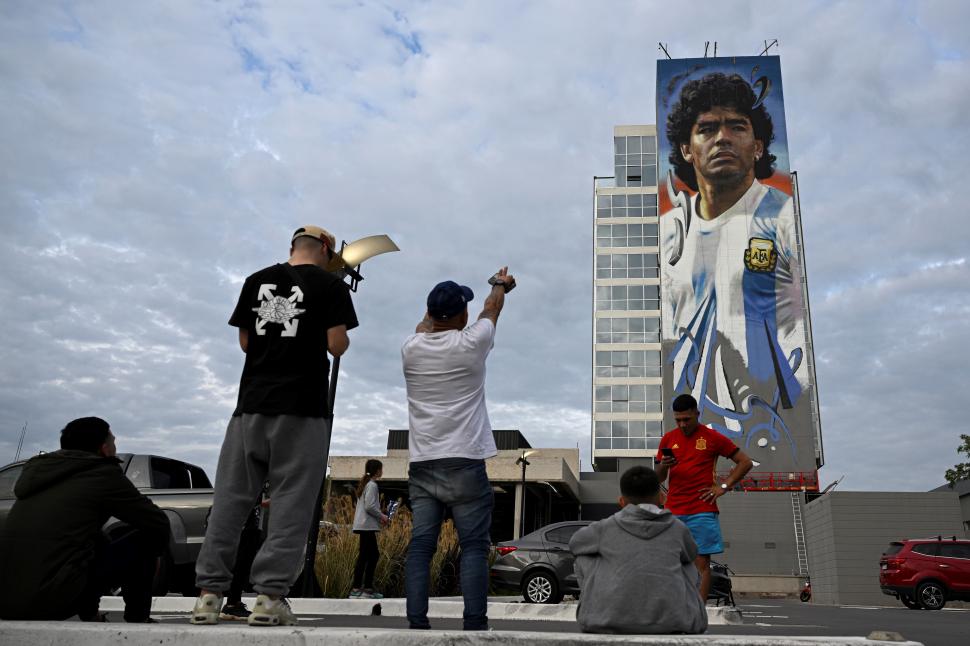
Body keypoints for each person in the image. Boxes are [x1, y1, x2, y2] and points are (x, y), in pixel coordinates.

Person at [192, 225, 359, 627]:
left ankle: (208, 595)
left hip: (250, 407)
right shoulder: (331, 287)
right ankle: (268, 598)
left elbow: (247, 344)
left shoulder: (255, 281)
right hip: (302, 409)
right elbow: (336, 345)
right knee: (290, 505)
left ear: (292, 247)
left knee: (230, 503)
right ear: (325, 249)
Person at [661, 71, 809, 450]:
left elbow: (797, 330)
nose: (722, 138)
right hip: (696, 427)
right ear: (686, 149)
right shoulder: (668, 231)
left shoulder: (781, 218)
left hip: (772, 425)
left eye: (736, 127)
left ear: (757, 145)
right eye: (707, 129)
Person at [402, 267, 516, 631]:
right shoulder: (472, 343)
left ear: (430, 313)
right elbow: (491, 309)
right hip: (464, 462)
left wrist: (432, 312)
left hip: (423, 464)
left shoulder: (411, 349)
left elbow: (424, 326)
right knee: (473, 547)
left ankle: (417, 624)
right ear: (462, 315)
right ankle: (474, 624)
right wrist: (500, 285)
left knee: (421, 547)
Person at [0, 417, 170, 623]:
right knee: (148, 536)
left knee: (96, 537)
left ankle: (91, 614)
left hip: (7, 600)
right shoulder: (102, 473)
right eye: (114, 441)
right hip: (49, 600)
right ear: (104, 448)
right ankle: (138, 618)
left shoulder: (39, 474)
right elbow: (156, 522)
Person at [569, 466, 707, 634]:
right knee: (687, 563)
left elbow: (575, 544)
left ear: (621, 501)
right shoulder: (678, 528)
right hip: (674, 622)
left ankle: (598, 609)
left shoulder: (604, 528)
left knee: (584, 556)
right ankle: (684, 613)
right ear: (661, 497)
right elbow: (692, 554)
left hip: (607, 620)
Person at [656, 394, 753, 601]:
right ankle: (673, 607)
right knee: (670, 562)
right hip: (673, 510)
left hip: (702, 510)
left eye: (686, 419)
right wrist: (663, 465)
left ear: (697, 414)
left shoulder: (712, 437)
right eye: (678, 420)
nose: (682, 424)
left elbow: (745, 462)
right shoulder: (668, 439)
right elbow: (659, 477)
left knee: (701, 564)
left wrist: (723, 487)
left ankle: (698, 611)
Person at [349, 459, 388, 600]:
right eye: (381, 469)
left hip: (364, 525)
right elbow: (370, 506)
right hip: (366, 526)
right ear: (377, 470)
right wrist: (382, 516)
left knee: (368, 556)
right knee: (369, 556)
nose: (382, 471)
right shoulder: (372, 485)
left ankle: (363, 588)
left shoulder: (366, 484)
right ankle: (361, 588)